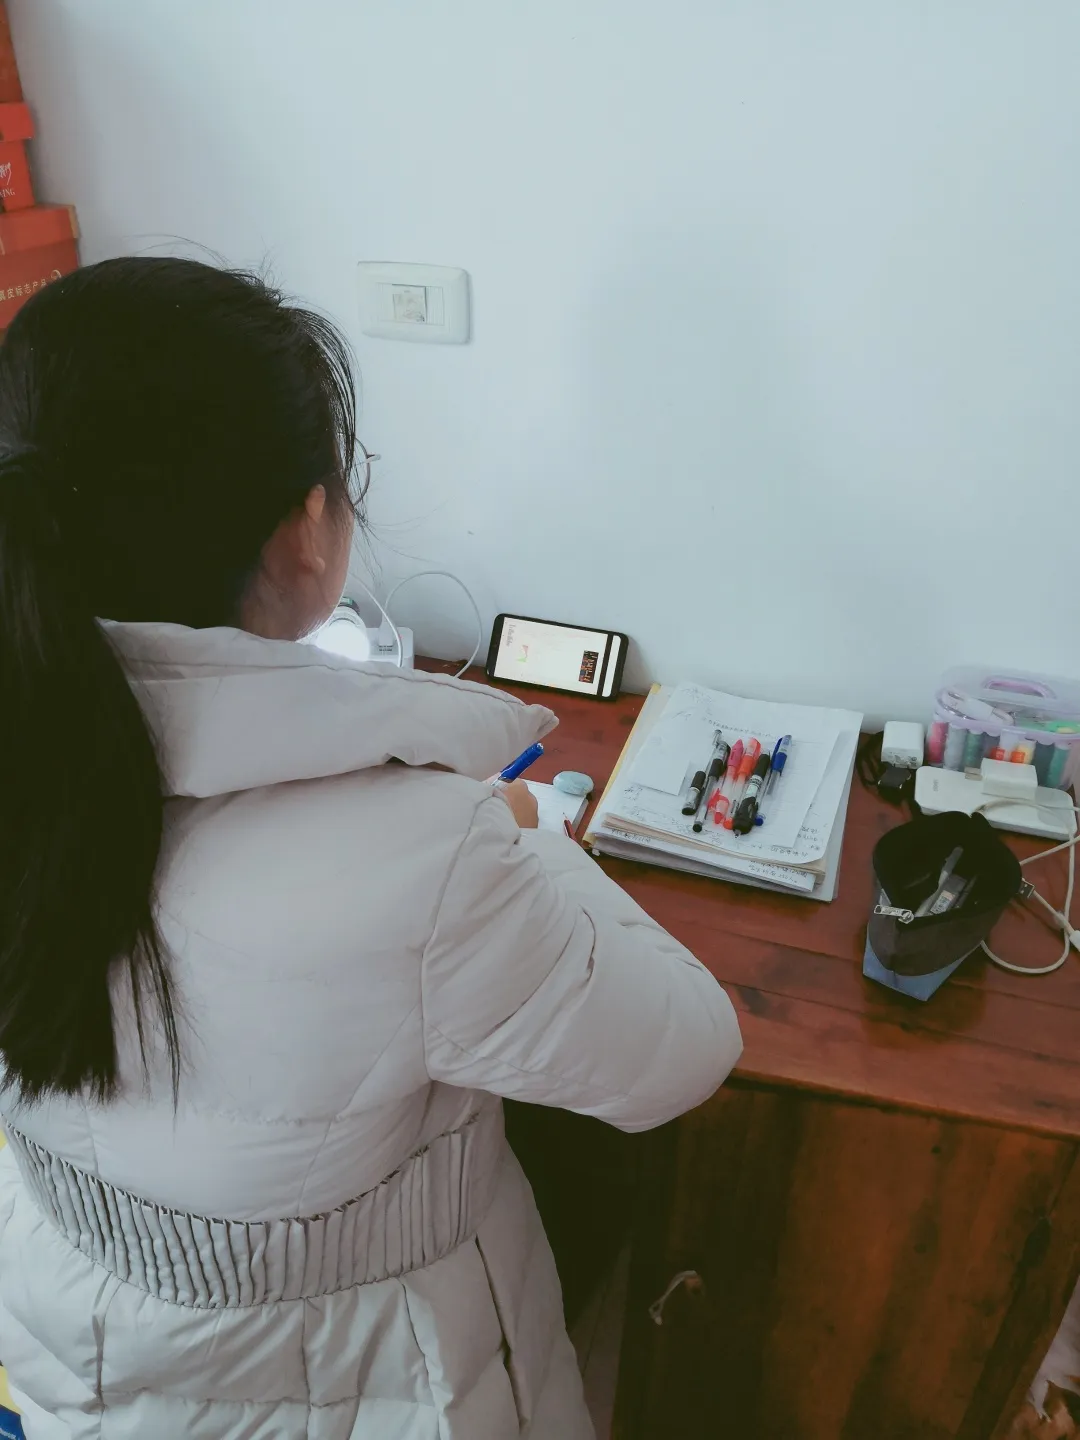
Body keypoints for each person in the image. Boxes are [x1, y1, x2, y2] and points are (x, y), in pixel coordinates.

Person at [0, 257, 742, 1440]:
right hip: (367, 1386)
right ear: (307, 535)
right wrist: (525, 834)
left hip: (71, 1353)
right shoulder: (424, 857)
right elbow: (684, 1055)